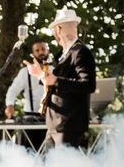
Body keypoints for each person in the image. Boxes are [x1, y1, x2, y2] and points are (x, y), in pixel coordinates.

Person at [24, 8, 96, 150]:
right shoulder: (66, 54)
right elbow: (53, 81)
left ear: (59, 29)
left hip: (68, 125)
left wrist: (56, 80)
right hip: (56, 124)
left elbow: (88, 85)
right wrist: (40, 75)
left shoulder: (80, 52)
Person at [4, 40, 50, 150]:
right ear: (33, 54)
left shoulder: (54, 70)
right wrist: (10, 105)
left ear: (48, 51)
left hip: (50, 117)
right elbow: (13, 90)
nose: (41, 52)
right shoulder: (25, 72)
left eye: (43, 49)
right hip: (30, 118)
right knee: (30, 152)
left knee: (50, 153)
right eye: (37, 50)